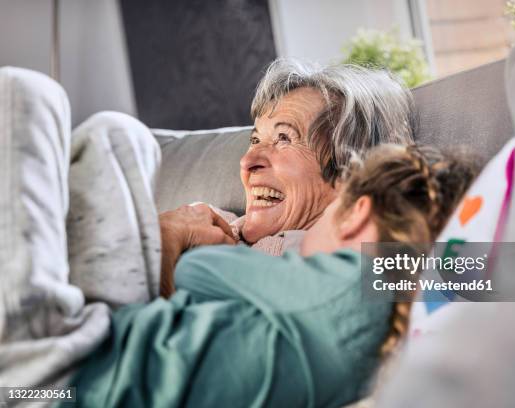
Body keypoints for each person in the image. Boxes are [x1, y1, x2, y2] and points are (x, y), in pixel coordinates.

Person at [63, 143, 473, 407]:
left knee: (108, 133)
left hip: (85, 373)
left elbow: (196, 269)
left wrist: (194, 244)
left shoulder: (351, 283)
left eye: (284, 138)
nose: (250, 159)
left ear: (357, 213)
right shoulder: (393, 317)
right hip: (77, 382)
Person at [158, 59, 418, 294]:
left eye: (284, 138)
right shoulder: (203, 221)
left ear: (351, 173)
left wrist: (165, 238)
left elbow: (453, 277)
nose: (247, 162)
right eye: (256, 139)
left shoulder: (360, 264)